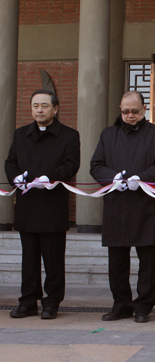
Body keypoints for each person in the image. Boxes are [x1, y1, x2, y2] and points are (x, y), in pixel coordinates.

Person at [90, 91, 155, 323]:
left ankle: (143, 306)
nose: (130, 116)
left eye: (134, 111)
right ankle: (121, 305)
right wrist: (112, 178)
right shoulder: (108, 135)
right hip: (116, 205)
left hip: (145, 205)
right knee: (117, 260)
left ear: (144, 109)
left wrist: (142, 179)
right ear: (120, 109)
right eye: (125, 111)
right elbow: (96, 165)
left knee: (147, 260)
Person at [5, 89, 80, 319]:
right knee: (28, 259)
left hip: (52, 206)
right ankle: (27, 301)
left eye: (44, 106)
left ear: (55, 109)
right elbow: (11, 161)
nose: (39, 110)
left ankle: (52, 302)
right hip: (27, 206)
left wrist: (50, 177)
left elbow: (71, 164)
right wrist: (16, 177)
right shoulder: (20, 134)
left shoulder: (69, 135)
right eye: (35, 105)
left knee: (53, 258)